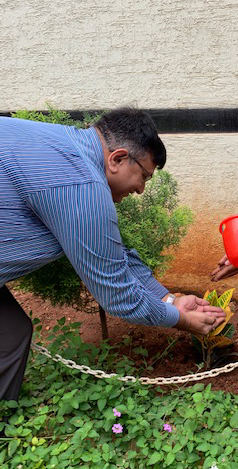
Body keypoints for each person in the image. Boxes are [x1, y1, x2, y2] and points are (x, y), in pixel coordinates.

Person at [0, 107, 225, 401]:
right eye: (143, 176)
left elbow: (114, 255)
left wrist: (170, 300)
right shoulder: (83, 185)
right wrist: (180, 319)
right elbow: (117, 294)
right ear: (117, 159)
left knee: (11, 336)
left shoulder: (67, 145)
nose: (141, 190)